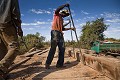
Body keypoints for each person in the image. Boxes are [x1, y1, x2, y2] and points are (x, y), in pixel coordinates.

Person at [45, 3, 75, 69]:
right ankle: (47, 64)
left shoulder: (61, 19)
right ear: (62, 12)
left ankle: (59, 64)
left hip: (60, 34)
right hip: (55, 33)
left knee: (62, 49)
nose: (65, 16)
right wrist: (65, 5)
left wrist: (71, 28)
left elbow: (62, 28)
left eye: (66, 15)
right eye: (65, 14)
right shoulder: (57, 14)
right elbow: (58, 9)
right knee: (53, 48)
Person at [0, 0, 23, 79]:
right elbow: (15, 12)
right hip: (6, 23)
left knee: (2, 49)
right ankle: (1, 68)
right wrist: (19, 27)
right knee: (15, 47)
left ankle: (3, 75)